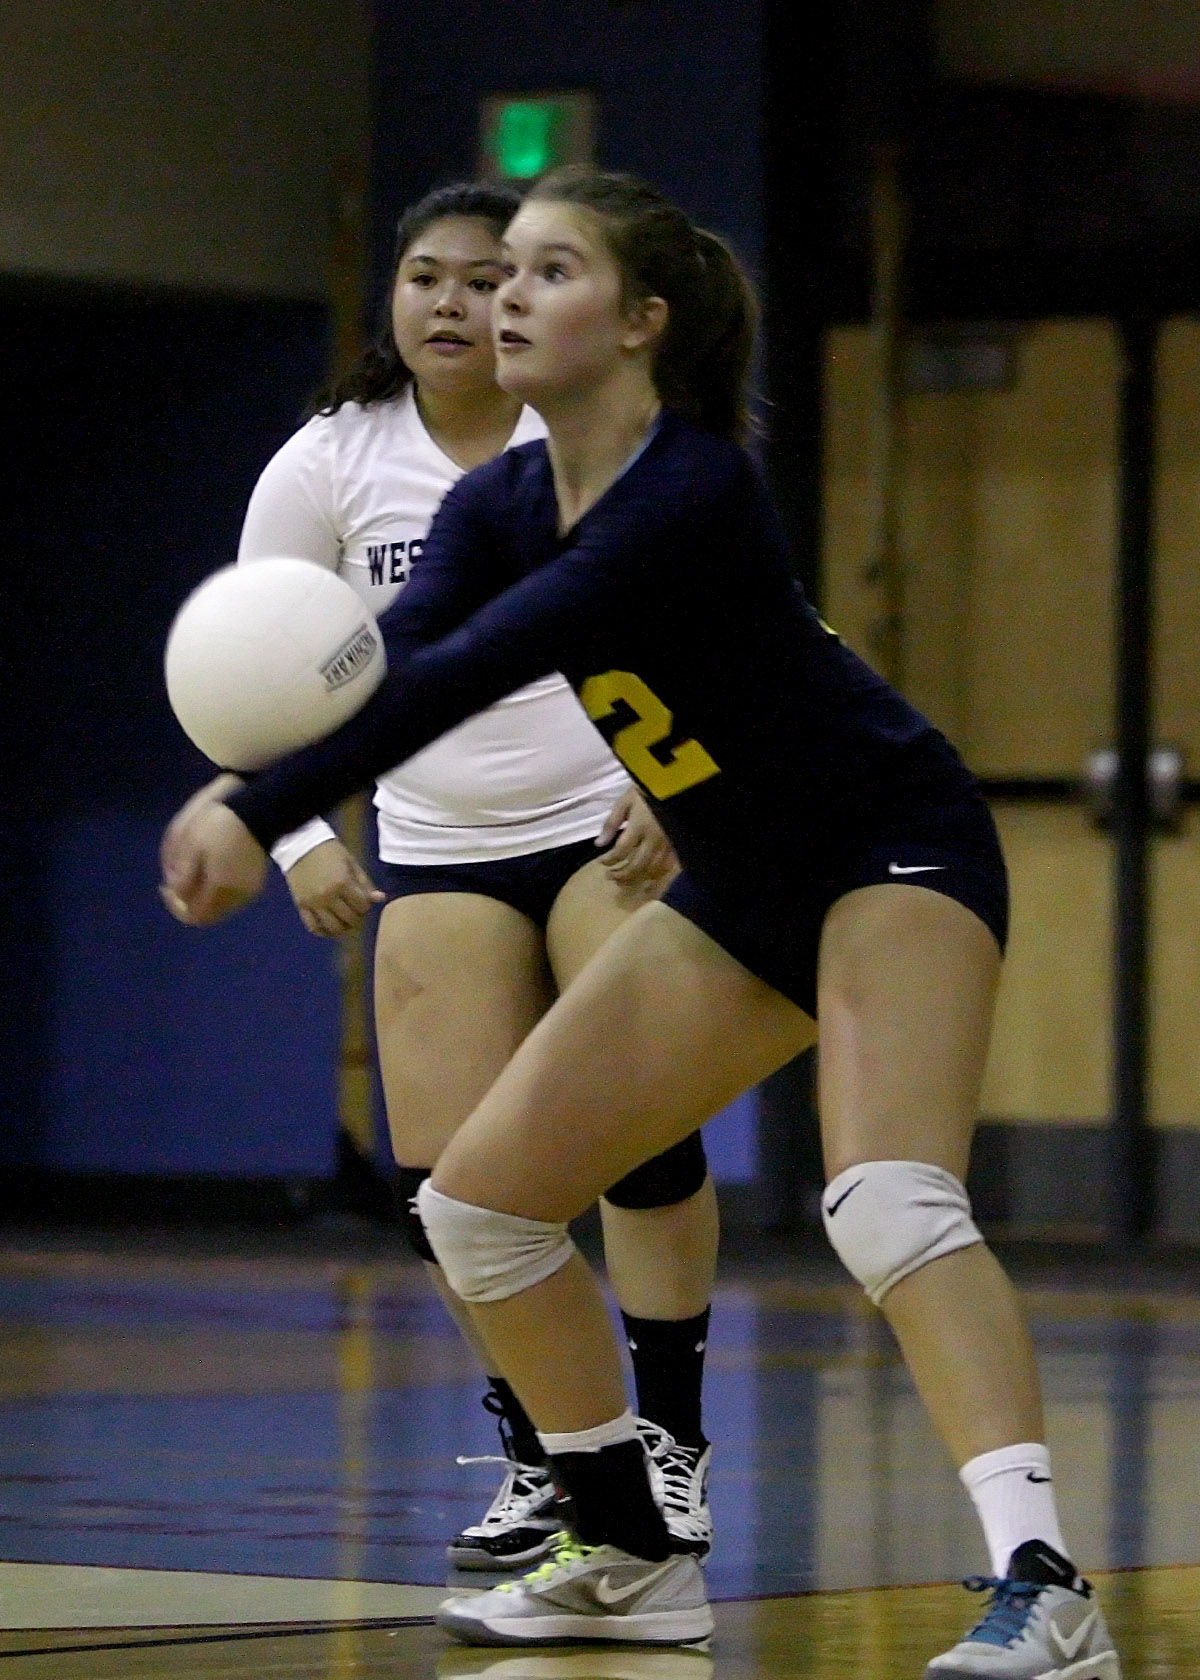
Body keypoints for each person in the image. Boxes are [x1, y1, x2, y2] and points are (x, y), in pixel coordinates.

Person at [161, 169, 1121, 1679]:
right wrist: (266, 785)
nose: (502, 299)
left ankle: (1043, 1582)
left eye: (547, 272)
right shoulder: (496, 503)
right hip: (739, 883)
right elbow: (388, 660)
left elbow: (488, 659)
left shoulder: (693, 485)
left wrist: (248, 802)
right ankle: (629, 1541)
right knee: (479, 1210)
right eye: (494, 275)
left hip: (886, 847)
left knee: (885, 1201)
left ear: (643, 324)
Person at [233, 180, 718, 1570]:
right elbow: (254, 669)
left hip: (600, 820)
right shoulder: (328, 462)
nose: (452, 303)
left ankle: (670, 1446)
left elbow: (711, 625)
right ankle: (551, 1456)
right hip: (435, 841)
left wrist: (671, 786)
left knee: (639, 1137)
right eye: (424, 278)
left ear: (527, 301)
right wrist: (301, 835)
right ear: (394, 302)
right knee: (455, 1191)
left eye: (483, 279)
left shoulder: (592, 441)